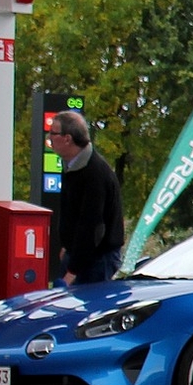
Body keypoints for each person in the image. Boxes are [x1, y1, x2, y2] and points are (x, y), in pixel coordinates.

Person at [47, 110, 125, 286]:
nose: (49, 137)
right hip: (78, 255)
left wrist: (72, 271)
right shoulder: (71, 166)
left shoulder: (94, 173)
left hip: (97, 259)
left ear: (68, 138)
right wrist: (67, 246)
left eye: (53, 133)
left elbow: (92, 227)